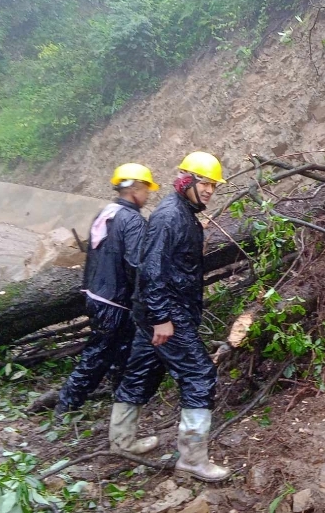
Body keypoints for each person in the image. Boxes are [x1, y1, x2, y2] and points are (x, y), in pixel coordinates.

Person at [111, 151, 230, 482]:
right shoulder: (170, 217)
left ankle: (121, 440)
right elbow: (150, 271)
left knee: (141, 370)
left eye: (213, 185)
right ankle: (192, 458)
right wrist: (162, 318)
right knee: (200, 375)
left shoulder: (183, 213)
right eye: (204, 183)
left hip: (158, 310)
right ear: (186, 181)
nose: (209, 190)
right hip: (167, 313)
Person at [55, 164, 159, 418]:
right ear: (134, 188)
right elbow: (136, 264)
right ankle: (66, 405)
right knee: (98, 354)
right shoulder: (132, 220)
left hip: (98, 295)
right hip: (115, 301)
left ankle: (119, 398)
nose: (149, 195)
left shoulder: (107, 213)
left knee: (122, 349)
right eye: (146, 188)